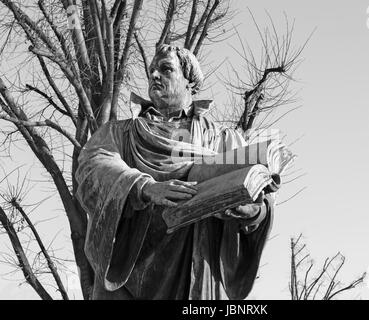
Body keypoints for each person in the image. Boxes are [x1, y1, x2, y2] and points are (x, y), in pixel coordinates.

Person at [75, 44, 274, 300]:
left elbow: (262, 203)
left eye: (166, 69)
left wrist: (249, 211)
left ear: (190, 82)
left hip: (196, 273)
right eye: (152, 70)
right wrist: (143, 187)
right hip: (128, 274)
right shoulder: (120, 134)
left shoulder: (223, 141)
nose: (154, 75)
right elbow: (93, 165)